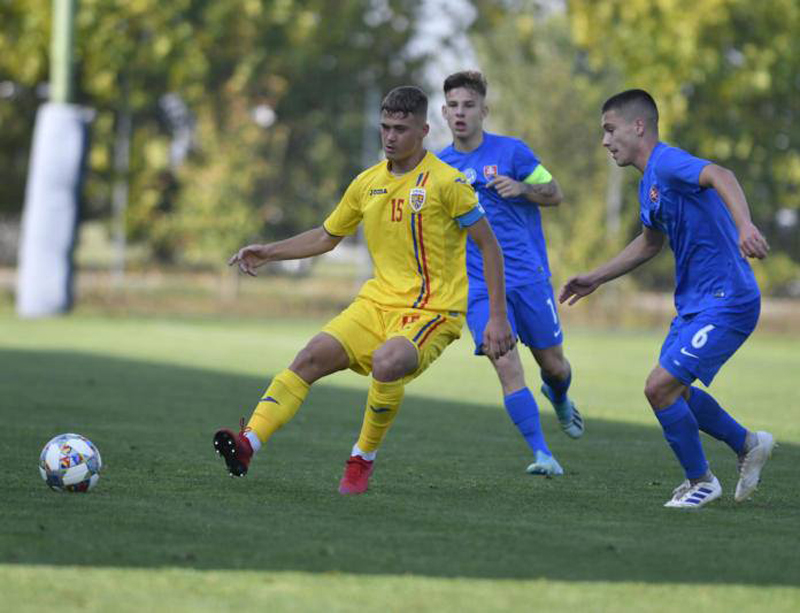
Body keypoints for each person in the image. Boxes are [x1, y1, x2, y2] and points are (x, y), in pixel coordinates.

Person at [214, 85, 514, 495]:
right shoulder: (366, 183)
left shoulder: (448, 182)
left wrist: (497, 317)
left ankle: (361, 460)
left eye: (400, 129)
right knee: (310, 357)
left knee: (388, 362)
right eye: (385, 127)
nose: (390, 137)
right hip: (375, 305)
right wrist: (268, 252)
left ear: (424, 131)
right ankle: (249, 443)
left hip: (432, 311)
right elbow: (326, 236)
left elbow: (489, 245)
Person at [560, 89, 774, 508]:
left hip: (727, 299)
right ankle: (748, 444)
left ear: (638, 126)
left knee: (659, 388)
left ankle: (701, 481)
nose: (605, 141)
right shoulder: (649, 185)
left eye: (610, 130)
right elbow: (649, 244)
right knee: (672, 390)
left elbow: (721, 174)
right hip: (695, 305)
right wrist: (595, 278)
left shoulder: (668, 162)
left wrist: (745, 225)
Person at [437, 71, 583, 477]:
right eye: (453, 106)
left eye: (468, 105)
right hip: (479, 286)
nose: (460, 113)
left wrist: (522, 189)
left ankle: (559, 396)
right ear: (444, 113)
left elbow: (555, 192)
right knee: (504, 360)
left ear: (484, 110)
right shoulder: (439, 167)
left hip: (528, 277)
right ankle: (543, 454)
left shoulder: (513, 153)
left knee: (554, 366)